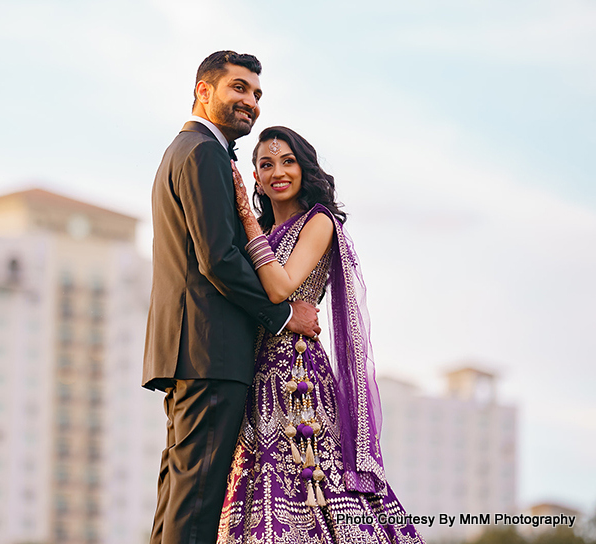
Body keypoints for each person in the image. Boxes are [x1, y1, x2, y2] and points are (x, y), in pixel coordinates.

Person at [143, 52, 322, 544]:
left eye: (257, 94)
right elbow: (218, 259)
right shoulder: (202, 151)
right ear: (204, 90)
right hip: (210, 350)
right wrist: (284, 315)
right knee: (198, 499)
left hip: (192, 349)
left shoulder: (189, 150)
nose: (251, 101)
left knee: (181, 494)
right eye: (239, 88)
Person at [217, 126, 426, 543]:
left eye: (288, 161)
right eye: (266, 164)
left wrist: (242, 213)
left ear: (304, 168)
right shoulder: (254, 232)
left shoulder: (319, 222)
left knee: (311, 481)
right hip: (253, 375)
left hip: (298, 380)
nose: (278, 171)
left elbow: (281, 286)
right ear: (255, 177)